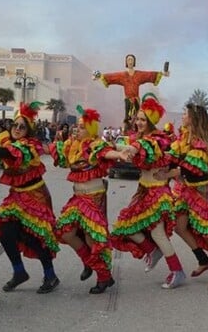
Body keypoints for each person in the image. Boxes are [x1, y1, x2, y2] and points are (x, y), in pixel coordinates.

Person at [0, 101, 60, 294]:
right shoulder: (6, 142)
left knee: (36, 236)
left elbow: (9, 154)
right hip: (16, 196)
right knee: (5, 233)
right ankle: (19, 272)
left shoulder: (28, 146)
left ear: (28, 130)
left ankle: (50, 275)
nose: (18, 129)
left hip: (35, 195)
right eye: (15, 125)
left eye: (22, 126)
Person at [46, 106, 129, 294]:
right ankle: (89, 262)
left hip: (93, 197)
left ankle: (104, 277)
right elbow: (58, 157)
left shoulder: (94, 144)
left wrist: (119, 154)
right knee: (65, 233)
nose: (77, 129)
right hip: (77, 197)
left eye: (82, 127)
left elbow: (105, 152)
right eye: (78, 126)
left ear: (90, 129)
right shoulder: (72, 145)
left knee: (93, 240)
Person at [111, 94, 185, 289]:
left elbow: (140, 148)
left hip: (157, 193)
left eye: (144, 120)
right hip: (143, 191)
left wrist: (129, 150)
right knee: (125, 226)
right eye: (138, 119)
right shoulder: (140, 138)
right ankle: (153, 251)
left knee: (158, 232)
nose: (139, 122)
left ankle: (177, 271)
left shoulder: (157, 139)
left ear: (151, 121)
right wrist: (112, 147)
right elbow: (131, 146)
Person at [157, 103, 208, 288]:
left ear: (193, 118)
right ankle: (203, 260)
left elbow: (186, 168)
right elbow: (172, 155)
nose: (182, 116)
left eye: (185, 113)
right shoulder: (185, 137)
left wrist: (165, 175)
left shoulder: (201, 141)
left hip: (203, 192)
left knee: (206, 231)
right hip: (188, 190)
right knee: (180, 226)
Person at [93, 54, 169, 127]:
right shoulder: (122, 76)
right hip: (128, 100)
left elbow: (149, 75)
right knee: (127, 119)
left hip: (136, 100)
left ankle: (137, 132)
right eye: (128, 59)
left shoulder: (139, 75)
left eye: (131, 59)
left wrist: (162, 73)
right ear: (126, 62)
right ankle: (127, 132)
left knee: (137, 118)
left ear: (134, 62)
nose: (130, 61)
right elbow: (112, 77)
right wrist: (100, 77)